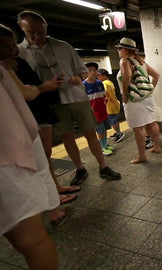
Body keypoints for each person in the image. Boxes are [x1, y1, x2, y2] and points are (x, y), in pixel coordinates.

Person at [17, 10, 121, 184]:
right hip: (52, 102)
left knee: (90, 133)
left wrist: (77, 78)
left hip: (76, 97)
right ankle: (80, 169)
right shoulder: (20, 53)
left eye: (40, 32)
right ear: (22, 29)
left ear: (46, 28)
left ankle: (104, 167)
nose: (37, 36)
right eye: (31, 32)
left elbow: (82, 70)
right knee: (67, 137)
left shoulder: (63, 46)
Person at [0, 63, 61, 269]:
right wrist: (41, 88)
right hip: (9, 156)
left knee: (32, 242)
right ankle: (54, 210)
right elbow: (24, 94)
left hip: (9, 157)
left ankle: (53, 209)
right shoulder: (4, 69)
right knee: (33, 242)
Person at [116, 37, 162, 163]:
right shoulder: (141, 62)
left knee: (138, 128)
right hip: (147, 98)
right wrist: (149, 89)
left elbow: (128, 76)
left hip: (133, 100)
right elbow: (157, 75)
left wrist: (125, 94)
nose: (118, 51)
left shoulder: (124, 61)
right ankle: (157, 147)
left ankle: (142, 156)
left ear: (125, 50)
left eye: (119, 48)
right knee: (152, 123)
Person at [84, 62, 114, 156]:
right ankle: (102, 147)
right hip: (94, 113)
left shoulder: (99, 83)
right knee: (100, 130)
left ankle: (105, 144)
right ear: (86, 72)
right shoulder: (83, 85)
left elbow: (104, 95)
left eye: (94, 70)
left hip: (103, 110)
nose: (93, 72)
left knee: (104, 129)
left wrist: (105, 100)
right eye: (90, 71)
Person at [97, 68, 125, 143]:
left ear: (104, 76)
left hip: (110, 105)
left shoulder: (104, 83)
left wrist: (104, 100)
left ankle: (119, 133)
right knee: (115, 119)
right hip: (114, 103)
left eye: (99, 75)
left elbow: (105, 93)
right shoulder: (109, 82)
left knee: (112, 121)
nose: (98, 77)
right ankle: (117, 132)